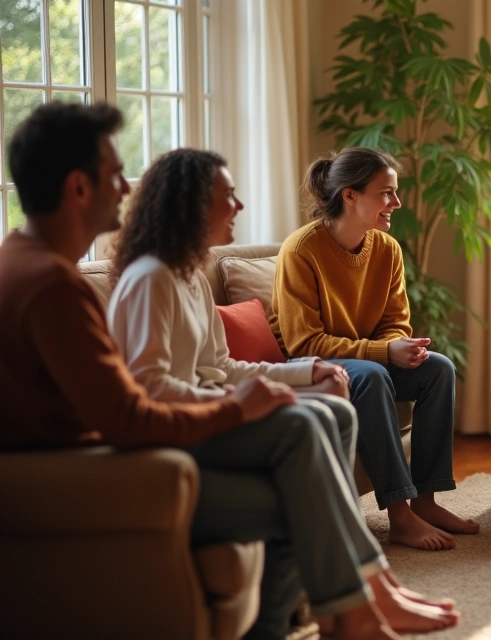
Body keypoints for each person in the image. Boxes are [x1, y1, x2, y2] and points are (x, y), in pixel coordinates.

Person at [0, 102, 459, 639]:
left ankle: (351, 600)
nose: (126, 189)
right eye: (112, 175)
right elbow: (134, 407)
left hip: (113, 454)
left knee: (317, 421)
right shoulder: (65, 284)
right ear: (79, 187)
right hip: (102, 474)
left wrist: (302, 373)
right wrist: (238, 407)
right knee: (299, 433)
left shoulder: (176, 271)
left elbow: (213, 366)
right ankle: (359, 598)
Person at [272, 147, 478, 551]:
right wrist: (385, 354)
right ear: (350, 196)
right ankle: (400, 515)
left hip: (365, 361)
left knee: (438, 368)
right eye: (386, 193)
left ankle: (426, 500)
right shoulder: (301, 251)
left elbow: (394, 322)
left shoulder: (386, 249)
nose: (396, 203)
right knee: (372, 373)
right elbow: (304, 342)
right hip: (313, 367)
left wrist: (400, 346)